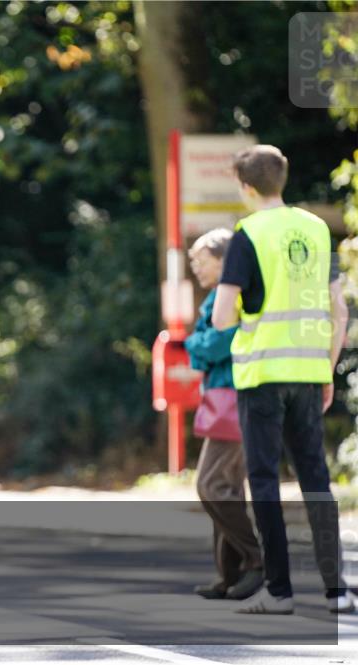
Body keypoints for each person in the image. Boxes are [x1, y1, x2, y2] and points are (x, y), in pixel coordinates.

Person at [212, 145, 354, 614]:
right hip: (310, 372)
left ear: (246, 186)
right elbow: (339, 309)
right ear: (283, 179)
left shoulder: (248, 234)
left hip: (263, 373)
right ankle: (336, 591)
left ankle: (280, 592)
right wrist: (327, 368)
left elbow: (219, 316)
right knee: (316, 477)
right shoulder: (316, 229)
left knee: (265, 480)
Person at [185, 228, 263, 602]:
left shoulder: (231, 296)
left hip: (235, 397)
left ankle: (256, 560)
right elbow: (207, 346)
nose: (196, 267)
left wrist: (193, 344)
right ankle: (229, 574)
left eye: (201, 260)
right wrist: (199, 346)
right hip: (227, 399)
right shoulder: (218, 296)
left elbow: (216, 344)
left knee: (211, 485)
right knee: (226, 487)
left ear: (224, 259)